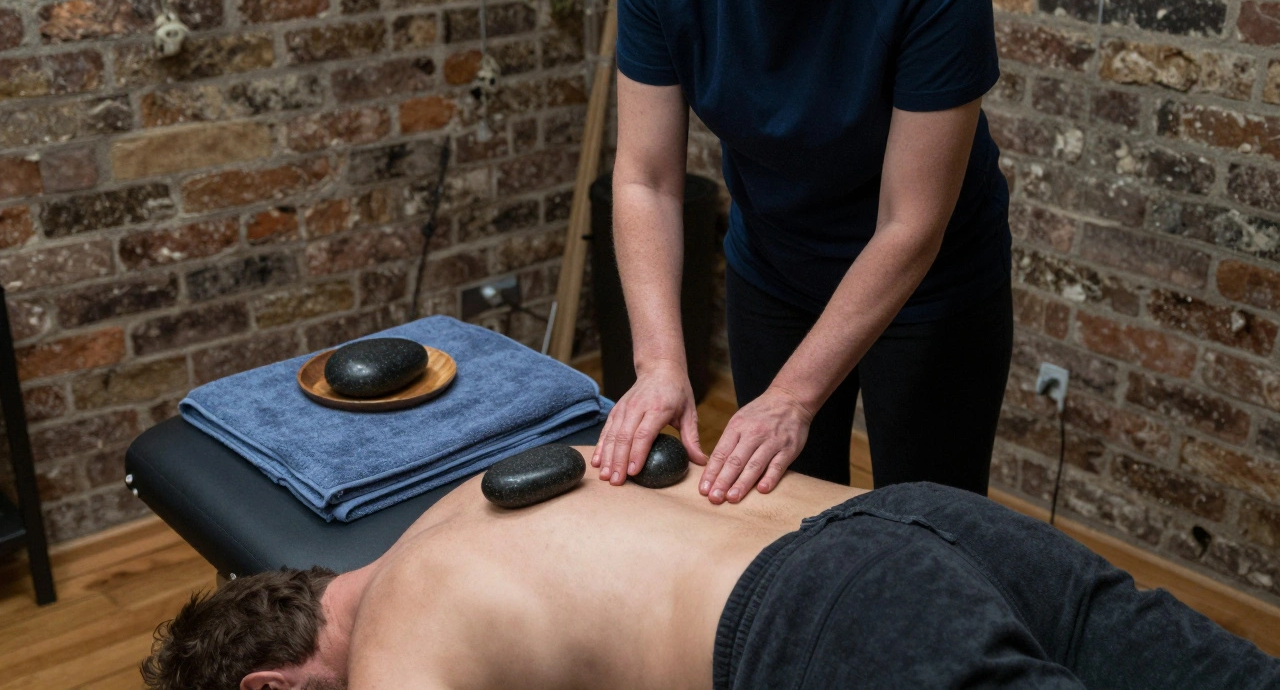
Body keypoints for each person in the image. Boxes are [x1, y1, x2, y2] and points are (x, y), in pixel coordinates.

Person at [142, 445, 1278, 689]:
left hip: (832, 614)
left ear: (274, 688)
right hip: (923, 519)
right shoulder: (461, 497)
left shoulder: (396, 640)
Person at [593, 0, 1015, 504]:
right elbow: (646, 181)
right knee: (784, 512)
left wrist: (793, 396)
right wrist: (658, 365)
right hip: (775, 266)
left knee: (930, 524)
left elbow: (909, 223)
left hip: (928, 286)